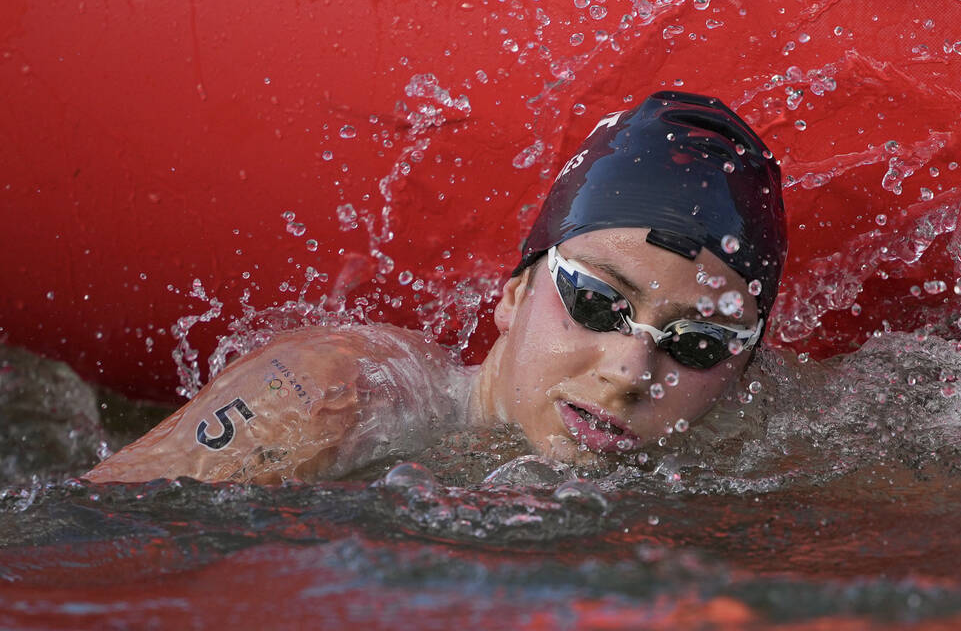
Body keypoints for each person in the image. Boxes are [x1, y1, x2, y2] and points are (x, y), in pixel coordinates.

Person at [84, 92, 788, 484]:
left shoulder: (752, 471)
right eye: (598, 304)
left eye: (695, 344)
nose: (632, 372)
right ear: (513, 293)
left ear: (742, 375)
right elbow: (97, 544)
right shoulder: (338, 395)